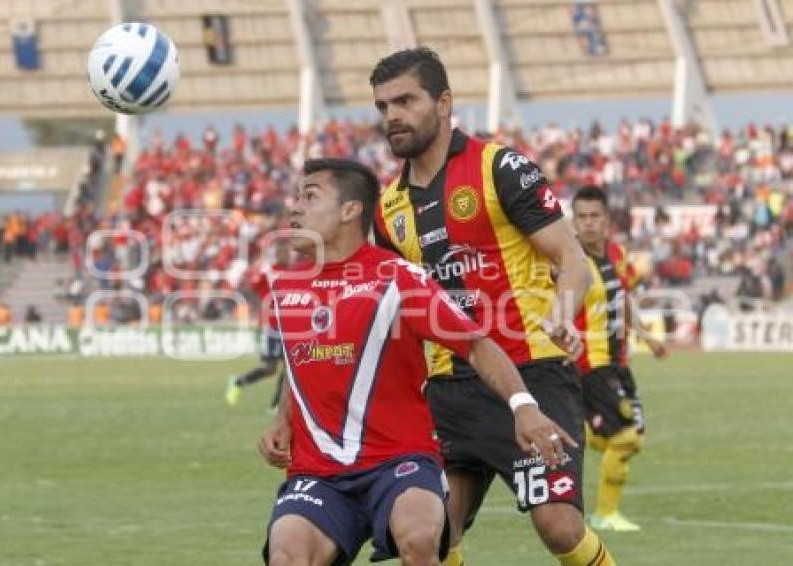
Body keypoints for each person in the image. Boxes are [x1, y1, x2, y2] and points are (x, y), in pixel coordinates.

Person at [258, 158, 575, 566]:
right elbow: (300, 362)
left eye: (310, 196)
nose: (294, 208)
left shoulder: (397, 278)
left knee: (421, 532)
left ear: (350, 210)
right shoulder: (286, 287)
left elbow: (477, 344)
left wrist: (523, 406)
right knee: (287, 554)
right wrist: (283, 418)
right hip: (317, 472)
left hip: (399, 462)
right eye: (296, 197)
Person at [370, 48, 613, 566]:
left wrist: (561, 311)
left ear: (443, 103)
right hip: (448, 388)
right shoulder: (388, 209)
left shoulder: (500, 168)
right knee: (427, 536)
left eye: (405, 100)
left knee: (559, 526)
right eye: (383, 105)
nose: (392, 115)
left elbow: (572, 257)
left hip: (531, 372)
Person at [571, 185, 667, 531]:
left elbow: (623, 299)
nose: (589, 223)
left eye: (595, 216)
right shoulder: (568, 261)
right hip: (590, 364)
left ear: (607, 220)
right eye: (582, 217)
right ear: (573, 221)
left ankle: (580, 426)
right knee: (625, 436)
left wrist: (645, 335)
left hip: (619, 363)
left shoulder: (617, 253)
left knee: (632, 439)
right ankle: (604, 514)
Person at [225, 242, 291, 410]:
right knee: (270, 369)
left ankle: (276, 406)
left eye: (288, 252)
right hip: (272, 326)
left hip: (290, 326)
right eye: (283, 252)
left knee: (290, 368)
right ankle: (238, 382)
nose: (287, 255)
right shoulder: (269, 273)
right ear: (277, 254)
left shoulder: (294, 273)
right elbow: (251, 287)